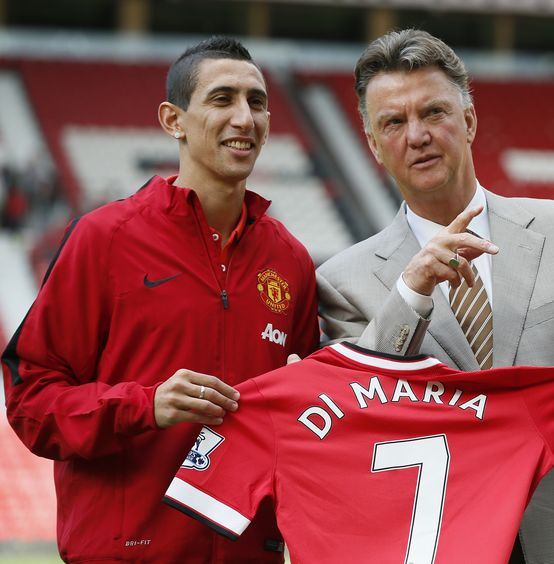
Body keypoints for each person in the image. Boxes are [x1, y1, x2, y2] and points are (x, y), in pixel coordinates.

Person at [317, 29, 554, 563]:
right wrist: (410, 292)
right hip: (440, 542)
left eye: (434, 112)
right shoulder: (341, 280)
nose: (416, 135)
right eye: (394, 122)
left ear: (468, 121)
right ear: (372, 145)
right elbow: (355, 417)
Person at [1, 36, 319, 563]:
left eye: (257, 102)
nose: (245, 117)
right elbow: (31, 401)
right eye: (222, 99)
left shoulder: (291, 261)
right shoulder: (104, 239)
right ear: (174, 120)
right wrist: (145, 406)